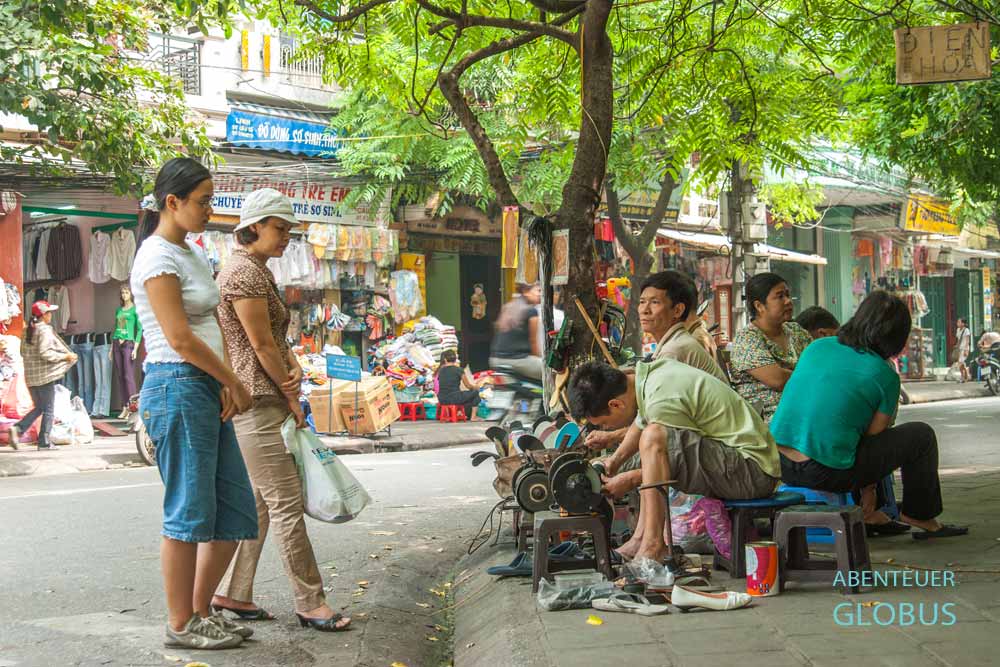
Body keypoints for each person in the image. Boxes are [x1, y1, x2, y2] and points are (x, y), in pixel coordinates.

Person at [210, 188, 351, 632]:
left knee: (262, 505)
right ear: (253, 227)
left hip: (263, 396)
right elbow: (261, 344)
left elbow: (275, 342)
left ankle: (235, 594)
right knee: (286, 504)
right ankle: (310, 602)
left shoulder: (257, 271)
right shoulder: (244, 274)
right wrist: (293, 397)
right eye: (279, 227)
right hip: (256, 398)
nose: (286, 236)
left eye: (289, 229)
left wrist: (293, 382)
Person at [132, 157, 258, 650]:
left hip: (206, 385)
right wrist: (234, 380)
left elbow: (208, 326)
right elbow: (180, 338)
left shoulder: (191, 252)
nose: (210, 209)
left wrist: (224, 381)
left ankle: (202, 611)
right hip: (177, 383)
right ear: (173, 202)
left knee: (234, 508)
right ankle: (180, 622)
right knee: (187, 512)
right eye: (203, 201)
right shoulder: (155, 256)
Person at [772, 291, 968, 540]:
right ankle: (920, 514)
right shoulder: (885, 375)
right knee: (921, 435)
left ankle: (873, 514)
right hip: (825, 471)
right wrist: (869, 492)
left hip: (779, 463)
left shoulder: (817, 347)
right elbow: (873, 438)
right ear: (896, 337)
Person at [571, 359, 781, 562]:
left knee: (654, 438)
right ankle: (639, 540)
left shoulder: (662, 400)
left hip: (752, 472)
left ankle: (654, 545)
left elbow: (665, 459)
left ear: (615, 404)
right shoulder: (650, 378)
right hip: (739, 462)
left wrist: (632, 479)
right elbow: (641, 423)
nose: (606, 429)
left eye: (604, 423)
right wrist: (613, 462)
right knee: (650, 441)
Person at [585, 271, 727, 454]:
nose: (644, 310)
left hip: (717, 444)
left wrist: (613, 438)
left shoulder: (676, 350)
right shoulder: (672, 344)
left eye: (655, 302)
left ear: (677, 310)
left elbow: (662, 426)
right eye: (643, 302)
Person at [730, 272, 812, 422]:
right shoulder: (747, 338)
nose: (788, 301)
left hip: (803, 405)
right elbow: (777, 380)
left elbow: (819, 364)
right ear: (759, 306)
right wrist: (812, 376)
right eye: (780, 296)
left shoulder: (796, 331)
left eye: (787, 295)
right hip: (768, 419)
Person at [5, 301, 77, 450]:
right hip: (44, 377)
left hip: (31, 377)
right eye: (49, 313)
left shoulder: (26, 330)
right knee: (49, 409)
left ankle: (18, 429)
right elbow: (46, 353)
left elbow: (22, 352)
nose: (51, 315)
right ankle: (44, 442)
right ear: (44, 315)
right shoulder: (44, 330)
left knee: (39, 407)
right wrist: (65, 357)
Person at [490, 283, 543, 381]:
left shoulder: (507, 307)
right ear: (526, 292)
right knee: (551, 371)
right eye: (538, 290)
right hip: (517, 361)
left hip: (495, 359)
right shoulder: (531, 311)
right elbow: (533, 341)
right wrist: (539, 358)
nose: (540, 294)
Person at [435, 349, 487, 420]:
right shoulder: (458, 370)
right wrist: (476, 387)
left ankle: (457, 413)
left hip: (442, 399)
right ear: (455, 359)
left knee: (464, 396)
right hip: (454, 398)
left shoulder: (440, 371)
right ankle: (473, 417)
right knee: (475, 393)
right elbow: (468, 386)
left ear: (445, 359)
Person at [955, 318, 972, 383]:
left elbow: (967, 340)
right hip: (960, 348)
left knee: (960, 363)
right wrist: (957, 346)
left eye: (959, 322)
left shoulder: (966, 330)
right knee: (962, 364)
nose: (958, 323)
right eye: (958, 322)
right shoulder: (958, 330)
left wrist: (966, 350)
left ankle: (963, 377)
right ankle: (966, 376)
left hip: (965, 348)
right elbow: (958, 339)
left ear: (963, 323)